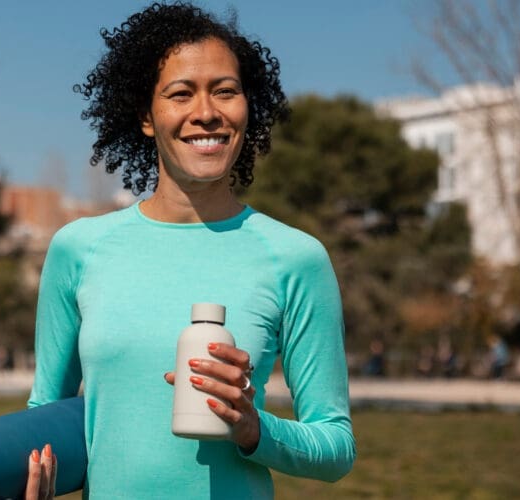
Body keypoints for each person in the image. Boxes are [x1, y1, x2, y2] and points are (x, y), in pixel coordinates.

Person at [24, 3, 356, 498]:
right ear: (145, 116)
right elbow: (43, 419)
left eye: (226, 91)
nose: (207, 112)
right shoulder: (79, 249)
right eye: (181, 93)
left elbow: (336, 447)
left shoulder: (296, 258)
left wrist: (253, 428)